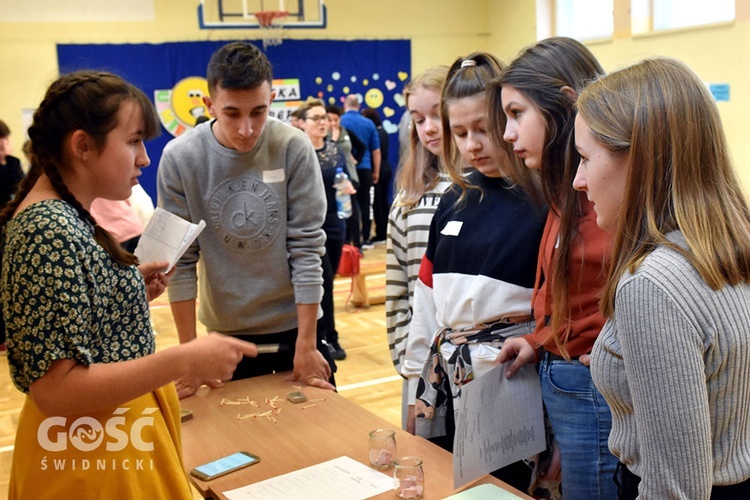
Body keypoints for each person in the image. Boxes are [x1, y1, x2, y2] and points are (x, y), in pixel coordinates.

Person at [0, 70, 258, 499]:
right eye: (134, 141)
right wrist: (184, 359)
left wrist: (120, 291)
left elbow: (73, 324)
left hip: (108, 442)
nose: (144, 158)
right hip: (91, 459)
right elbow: (57, 390)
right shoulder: (47, 228)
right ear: (82, 145)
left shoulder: (62, 217)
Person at [573, 57, 750, 499]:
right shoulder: (729, 242)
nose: (578, 180)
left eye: (585, 158)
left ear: (639, 161)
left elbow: (676, 488)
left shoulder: (652, 285)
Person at [403, 53, 547, 492]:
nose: (472, 145)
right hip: (447, 381)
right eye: (460, 133)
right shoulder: (452, 200)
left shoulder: (543, 202)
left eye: (483, 129)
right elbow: (425, 307)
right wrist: (414, 387)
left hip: (512, 384)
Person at [157, 41, 336, 394]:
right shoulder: (180, 158)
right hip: (224, 333)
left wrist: (307, 344)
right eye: (232, 113)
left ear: (272, 101)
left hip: (296, 327)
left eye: (259, 112)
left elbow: (306, 248)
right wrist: (189, 354)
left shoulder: (293, 147)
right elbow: (179, 262)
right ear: (209, 106)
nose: (246, 129)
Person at [492, 37, 618, 499]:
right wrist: (536, 339)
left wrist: (609, 346)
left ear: (566, 105)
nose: (507, 134)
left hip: (592, 386)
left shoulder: (605, 197)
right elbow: (574, 297)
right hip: (562, 378)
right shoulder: (565, 190)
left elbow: (633, 295)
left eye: (517, 113)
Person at [385, 65, 450, 429]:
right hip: (419, 366)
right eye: (418, 118)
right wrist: (407, 363)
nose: (429, 127)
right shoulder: (407, 199)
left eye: (437, 115)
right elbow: (396, 290)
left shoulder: (479, 191)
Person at [298, 99, 355, 361]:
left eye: (324, 118)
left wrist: (348, 188)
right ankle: (325, 336)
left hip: (335, 221)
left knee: (329, 282)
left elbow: (345, 179)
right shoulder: (298, 151)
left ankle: (325, 333)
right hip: (310, 225)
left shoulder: (335, 149)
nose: (322, 122)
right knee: (321, 281)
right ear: (302, 123)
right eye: (316, 118)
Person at [340, 94, 380, 247]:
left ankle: (348, 238)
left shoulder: (341, 122)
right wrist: (375, 171)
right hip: (365, 169)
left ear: (346, 106)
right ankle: (366, 238)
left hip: (346, 170)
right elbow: (376, 150)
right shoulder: (369, 123)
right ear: (359, 106)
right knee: (366, 205)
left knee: (348, 206)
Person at [0, 119, 25, 354]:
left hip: (10, 228)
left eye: (5, 138)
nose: (3, 143)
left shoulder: (15, 163)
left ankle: (8, 332)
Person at [326, 104, 364, 252]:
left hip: (350, 176)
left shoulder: (346, 132)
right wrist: (334, 140)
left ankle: (358, 245)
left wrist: (356, 160)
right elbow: (331, 154)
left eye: (336, 119)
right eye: (330, 120)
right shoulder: (326, 137)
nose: (333, 123)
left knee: (353, 212)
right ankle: (344, 244)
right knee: (341, 213)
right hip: (334, 180)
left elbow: (361, 146)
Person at [362, 108, 393, 245]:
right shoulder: (383, 132)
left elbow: (376, 152)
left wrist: (375, 172)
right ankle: (384, 231)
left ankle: (381, 232)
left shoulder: (376, 133)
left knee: (377, 203)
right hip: (386, 169)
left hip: (379, 170)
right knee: (383, 202)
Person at [0, 119, 24, 208]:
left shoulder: (13, 162)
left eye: (5, 138)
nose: (3, 143)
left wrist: (8, 157)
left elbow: (20, 186)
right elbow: (7, 187)